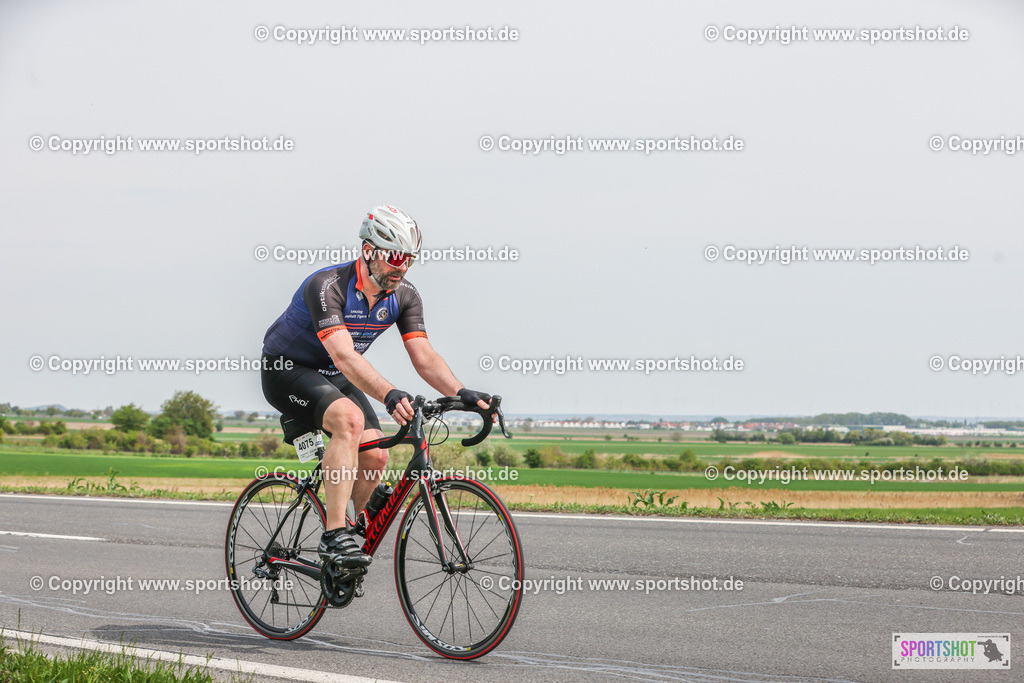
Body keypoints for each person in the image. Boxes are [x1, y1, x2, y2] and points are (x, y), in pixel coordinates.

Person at [260, 205, 492, 573]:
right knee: (349, 421)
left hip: (334, 376)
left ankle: (354, 529)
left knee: (377, 456)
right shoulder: (327, 286)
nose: (401, 267)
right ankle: (335, 535)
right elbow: (344, 356)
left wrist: (463, 393)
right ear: (368, 251)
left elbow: (424, 356)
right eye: (395, 257)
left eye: (409, 259)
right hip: (287, 369)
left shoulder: (404, 296)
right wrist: (389, 394)